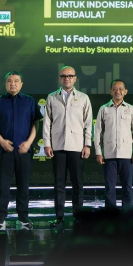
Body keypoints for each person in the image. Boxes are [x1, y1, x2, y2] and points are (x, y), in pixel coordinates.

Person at [0, 71, 41, 230]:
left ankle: (23, 217)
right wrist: (2, 141)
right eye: (9, 81)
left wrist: (29, 143)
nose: (13, 83)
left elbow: (35, 123)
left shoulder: (29, 101)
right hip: (5, 151)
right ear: (5, 84)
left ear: (21, 84)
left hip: (24, 151)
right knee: (3, 186)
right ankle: (1, 218)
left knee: (23, 186)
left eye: (16, 81)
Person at [43, 65, 92, 227]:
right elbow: (47, 122)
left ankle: (78, 216)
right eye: (64, 76)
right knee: (59, 184)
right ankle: (59, 217)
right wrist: (47, 144)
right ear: (60, 79)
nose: (67, 79)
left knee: (77, 184)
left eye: (70, 76)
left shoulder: (83, 98)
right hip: (57, 146)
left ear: (75, 78)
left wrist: (87, 144)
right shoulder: (51, 97)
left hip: (77, 147)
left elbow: (88, 124)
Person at [94, 79, 133, 210]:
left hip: (126, 155)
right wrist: (98, 152)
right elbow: (97, 132)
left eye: (121, 89)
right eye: (115, 89)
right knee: (109, 187)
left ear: (125, 91)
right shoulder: (104, 109)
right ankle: (111, 215)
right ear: (111, 91)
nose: (118, 91)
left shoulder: (131, 109)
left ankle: (127, 213)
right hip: (109, 155)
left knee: (127, 186)